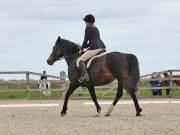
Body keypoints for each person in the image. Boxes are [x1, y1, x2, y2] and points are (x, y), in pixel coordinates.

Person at [76, 14, 106, 82]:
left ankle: (85, 76)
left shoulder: (88, 28)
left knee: (80, 59)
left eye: (85, 22)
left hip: (95, 48)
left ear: (88, 22)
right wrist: (83, 46)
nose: (85, 23)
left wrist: (81, 49)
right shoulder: (96, 28)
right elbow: (93, 41)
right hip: (102, 47)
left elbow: (85, 40)